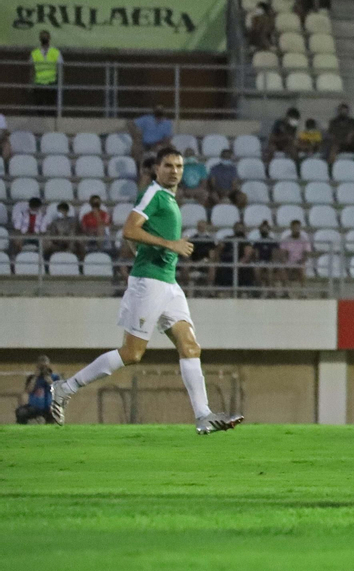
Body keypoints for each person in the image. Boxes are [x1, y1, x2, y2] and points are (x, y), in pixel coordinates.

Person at [49, 147, 243, 434]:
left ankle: (203, 415)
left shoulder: (168, 199)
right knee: (131, 353)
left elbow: (136, 239)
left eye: (178, 166)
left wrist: (158, 249)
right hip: (149, 283)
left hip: (168, 283)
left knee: (190, 345)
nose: (174, 170)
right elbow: (129, 230)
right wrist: (170, 245)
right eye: (168, 165)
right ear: (157, 169)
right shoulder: (153, 194)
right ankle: (65, 388)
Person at [17, 356, 61, 424]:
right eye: (41, 367)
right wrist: (35, 377)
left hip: (49, 407)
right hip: (34, 407)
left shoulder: (55, 377)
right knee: (21, 412)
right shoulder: (32, 378)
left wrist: (50, 381)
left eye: (45, 367)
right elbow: (28, 391)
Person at [278, 219, 312, 291]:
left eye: (297, 228)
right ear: (291, 228)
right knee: (282, 269)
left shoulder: (304, 240)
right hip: (289, 261)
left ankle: (303, 292)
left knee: (301, 268)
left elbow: (306, 254)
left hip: (300, 261)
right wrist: (285, 261)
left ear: (300, 228)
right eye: (294, 228)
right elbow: (283, 253)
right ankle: (286, 292)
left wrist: (301, 261)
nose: (296, 229)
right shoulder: (286, 239)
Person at [30, 30, 61, 108]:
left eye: (45, 36)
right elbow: (32, 69)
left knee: (50, 107)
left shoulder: (55, 52)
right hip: (39, 84)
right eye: (43, 36)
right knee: (39, 107)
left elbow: (60, 69)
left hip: (51, 83)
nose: (44, 38)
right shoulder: (35, 53)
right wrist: (31, 83)